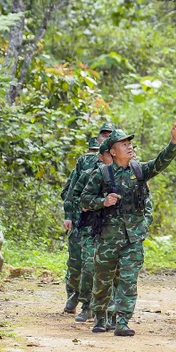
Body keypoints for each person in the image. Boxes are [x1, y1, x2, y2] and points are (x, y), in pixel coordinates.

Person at [81, 120, 176, 336]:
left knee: (128, 281)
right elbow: (84, 200)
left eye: (130, 143)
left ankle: (122, 321)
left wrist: (173, 142)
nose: (129, 146)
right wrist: (103, 201)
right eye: (123, 144)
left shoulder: (139, 170)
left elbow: (160, 162)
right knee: (103, 280)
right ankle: (101, 317)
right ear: (112, 151)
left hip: (132, 239)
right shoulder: (102, 174)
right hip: (108, 239)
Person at [61, 123, 115, 314]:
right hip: (80, 220)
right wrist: (69, 215)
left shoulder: (122, 164)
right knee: (76, 263)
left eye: (110, 135)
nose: (106, 137)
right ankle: (73, 295)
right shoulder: (86, 162)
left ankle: (96, 305)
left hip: (104, 224)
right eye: (104, 134)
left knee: (95, 265)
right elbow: (71, 191)